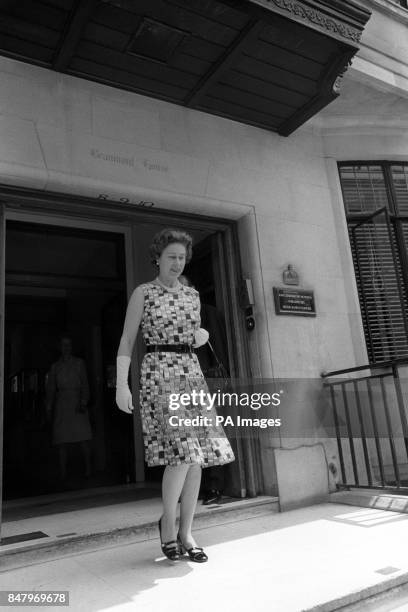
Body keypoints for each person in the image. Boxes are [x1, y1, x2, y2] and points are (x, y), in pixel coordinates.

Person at [116, 228, 235, 562]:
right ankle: (167, 523)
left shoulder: (192, 295)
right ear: (157, 257)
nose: (177, 263)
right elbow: (127, 339)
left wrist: (198, 335)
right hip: (158, 370)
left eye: (182, 257)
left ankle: (186, 531)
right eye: (171, 257)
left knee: (196, 457)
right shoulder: (144, 292)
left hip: (190, 371)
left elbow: (191, 332)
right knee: (181, 452)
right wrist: (122, 385)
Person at [46, 335, 93, 480]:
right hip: (62, 404)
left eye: (68, 345)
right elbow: (51, 389)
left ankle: (88, 469)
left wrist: (83, 402)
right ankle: (63, 473)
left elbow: (85, 384)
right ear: (59, 347)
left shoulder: (79, 363)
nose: (66, 348)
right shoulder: (55, 367)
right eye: (63, 345)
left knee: (83, 438)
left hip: (76, 402)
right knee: (62, 441)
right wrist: (48, 408)